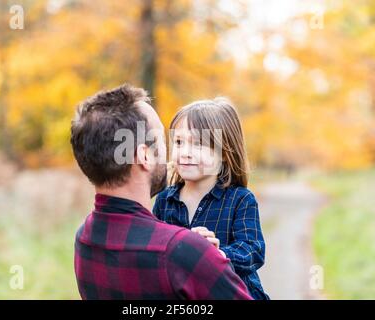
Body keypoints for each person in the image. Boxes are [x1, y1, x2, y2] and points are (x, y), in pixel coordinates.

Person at [70, 84, 252, 300]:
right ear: (145, 156)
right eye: (167, 141)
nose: (177, 154)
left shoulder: (84, 239)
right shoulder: (186, 254)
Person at [153, 98, 269, 299]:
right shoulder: (164, 200)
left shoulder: (240, 200)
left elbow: (253, 250)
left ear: (224, 152)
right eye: (179, 142)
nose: (185, 153)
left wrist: (218, 254)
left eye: (198, 144)